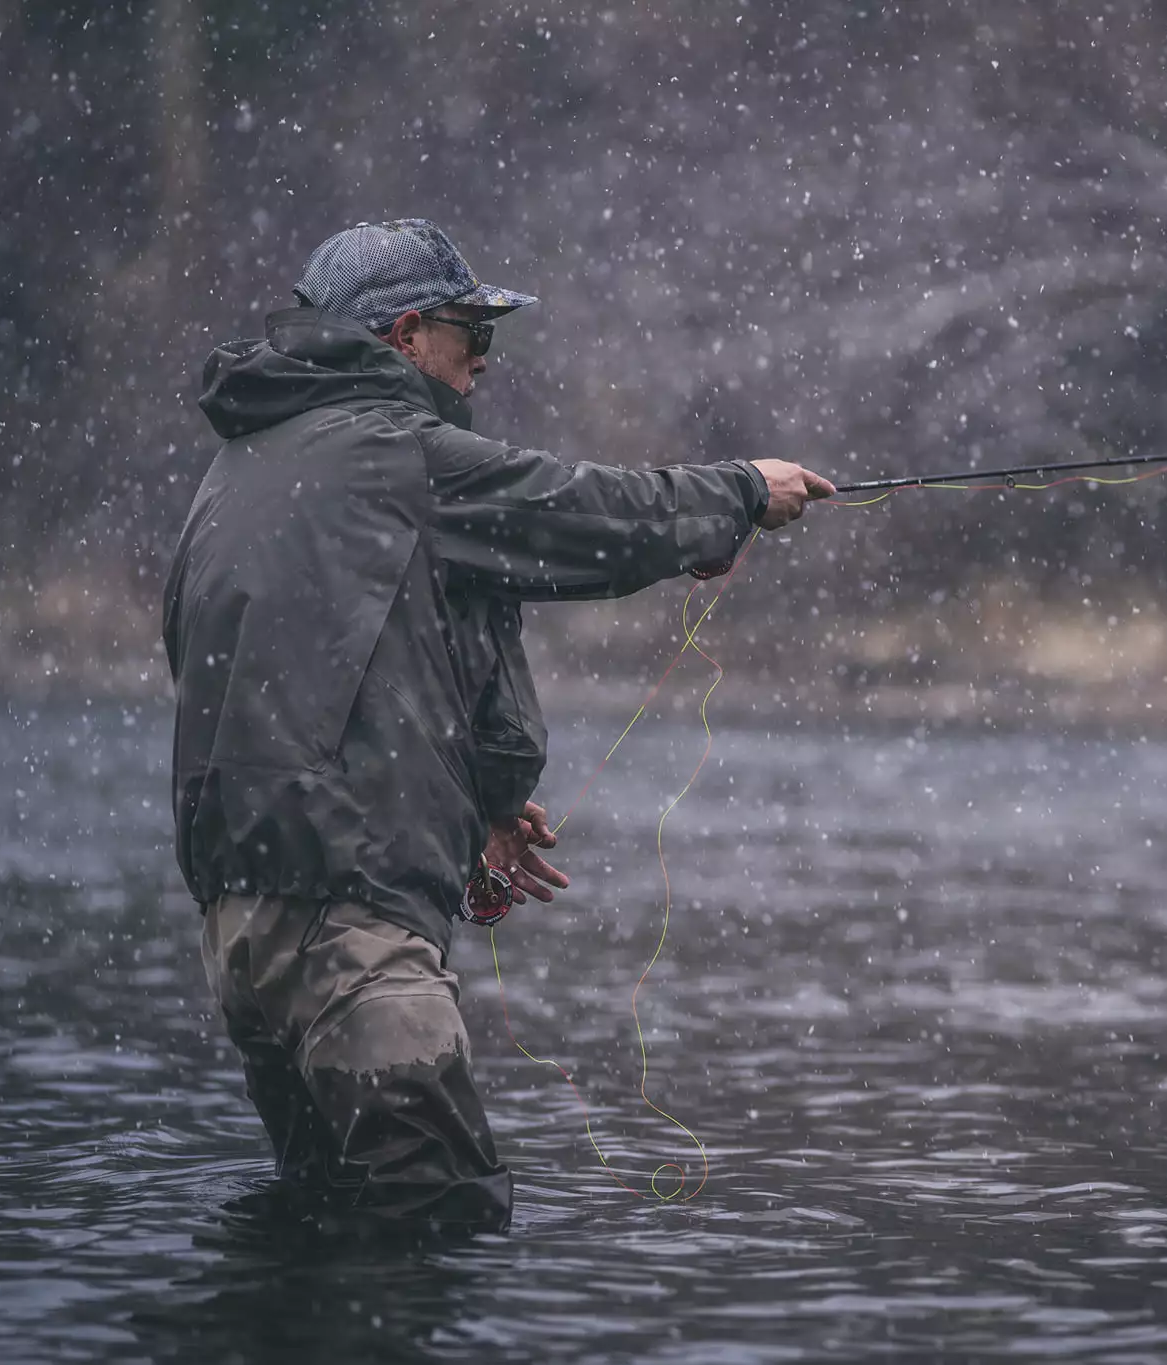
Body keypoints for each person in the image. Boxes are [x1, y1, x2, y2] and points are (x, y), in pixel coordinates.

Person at [162, 219, 833, 1232]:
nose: (481, 359)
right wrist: (737, 494)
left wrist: (478, 802)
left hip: (246, 928)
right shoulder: (388, 455)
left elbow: (338, 668)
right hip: (348, 931)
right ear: (399, 335)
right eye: (468, 332)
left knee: (323, 1230)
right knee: (440, 1224)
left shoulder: (243, 471)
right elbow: (571, 512)